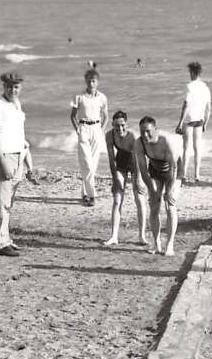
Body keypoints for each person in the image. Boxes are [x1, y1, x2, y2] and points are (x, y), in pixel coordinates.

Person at [0, 72, 28, 257]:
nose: (13, 90)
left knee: (9, 203)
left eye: (16, 87)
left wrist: (27, 161)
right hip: (3, 157)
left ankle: (5, 238)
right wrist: (3, 162)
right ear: (4, 87)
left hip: (18, 156)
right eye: (9, 86)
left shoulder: (16, 105)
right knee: (1, 205)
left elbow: (20, 135)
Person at [137, 116, 183, 256]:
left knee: (170, 205)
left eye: (148, 131)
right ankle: (156, 244)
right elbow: (143, 169)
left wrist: (168, 191)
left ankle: (169, 245)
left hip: (173, 171)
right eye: (142, 131)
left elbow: (173, 168)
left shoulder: (165, 141)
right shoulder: (139, 143)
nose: (145, 135)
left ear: (156, 130)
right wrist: (152, 190)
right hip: (155, 171)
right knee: (154, 205)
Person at [103, 110, 148, 246]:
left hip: (136, 164)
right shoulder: (109, 135)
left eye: (122, 125)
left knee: (139, 199)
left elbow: (140, 159)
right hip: (120, 163)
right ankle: (114, 236)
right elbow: (112, 159)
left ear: (126, 124)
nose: (120, 128)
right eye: (117, 126)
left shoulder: (133, 136)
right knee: (117, 199)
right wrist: (115, 180)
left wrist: (139, 179)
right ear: (112, 125)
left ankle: (141, 236)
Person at [70, 68, 108, 206]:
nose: (91, 83)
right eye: (89, 81)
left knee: (93, 163)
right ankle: (92, 195)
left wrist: (102, 130)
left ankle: (84, 193)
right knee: (86, 163)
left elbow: (106, 116)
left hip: (96, 129)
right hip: (84, 128)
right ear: (85, 81)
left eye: (94, 81)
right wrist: (78, 130)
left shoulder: (102, 97)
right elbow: (73, 115)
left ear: (97, 82)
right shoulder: (79, 97)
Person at [175, 61, 211, 183]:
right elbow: (208, 107)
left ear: (193, 72)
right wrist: (206, 122)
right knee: (197, 148)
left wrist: (180, 122)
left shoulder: (189, 86)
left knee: (186, 148)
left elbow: (186, 105)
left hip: (189, 119)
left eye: (190, 72)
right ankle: (197, 175)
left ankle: (184, 175)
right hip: (200, 120)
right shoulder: (205, 87)